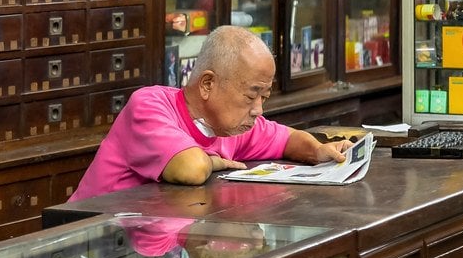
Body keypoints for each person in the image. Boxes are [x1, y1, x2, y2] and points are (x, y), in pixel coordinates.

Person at [70, 25, 353, 200]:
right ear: (207, 84)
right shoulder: (150, 105)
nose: (258, 110)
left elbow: (286, 138)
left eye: (264, 97)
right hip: (91, 249)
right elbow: (191, 168)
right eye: (252, 95)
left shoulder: (231, 125)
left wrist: (317, 150)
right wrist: (215, 161)